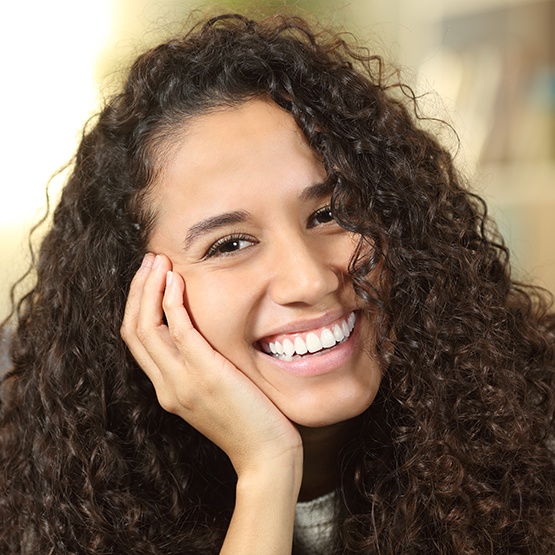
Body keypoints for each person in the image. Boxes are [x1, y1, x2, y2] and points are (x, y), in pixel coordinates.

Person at [1, 12, 554, 555]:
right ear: (137, 301)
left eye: (329, 214)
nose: (310, 280)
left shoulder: (534, 425)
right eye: (230, 245)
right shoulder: (43, 504)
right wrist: (266, 469)